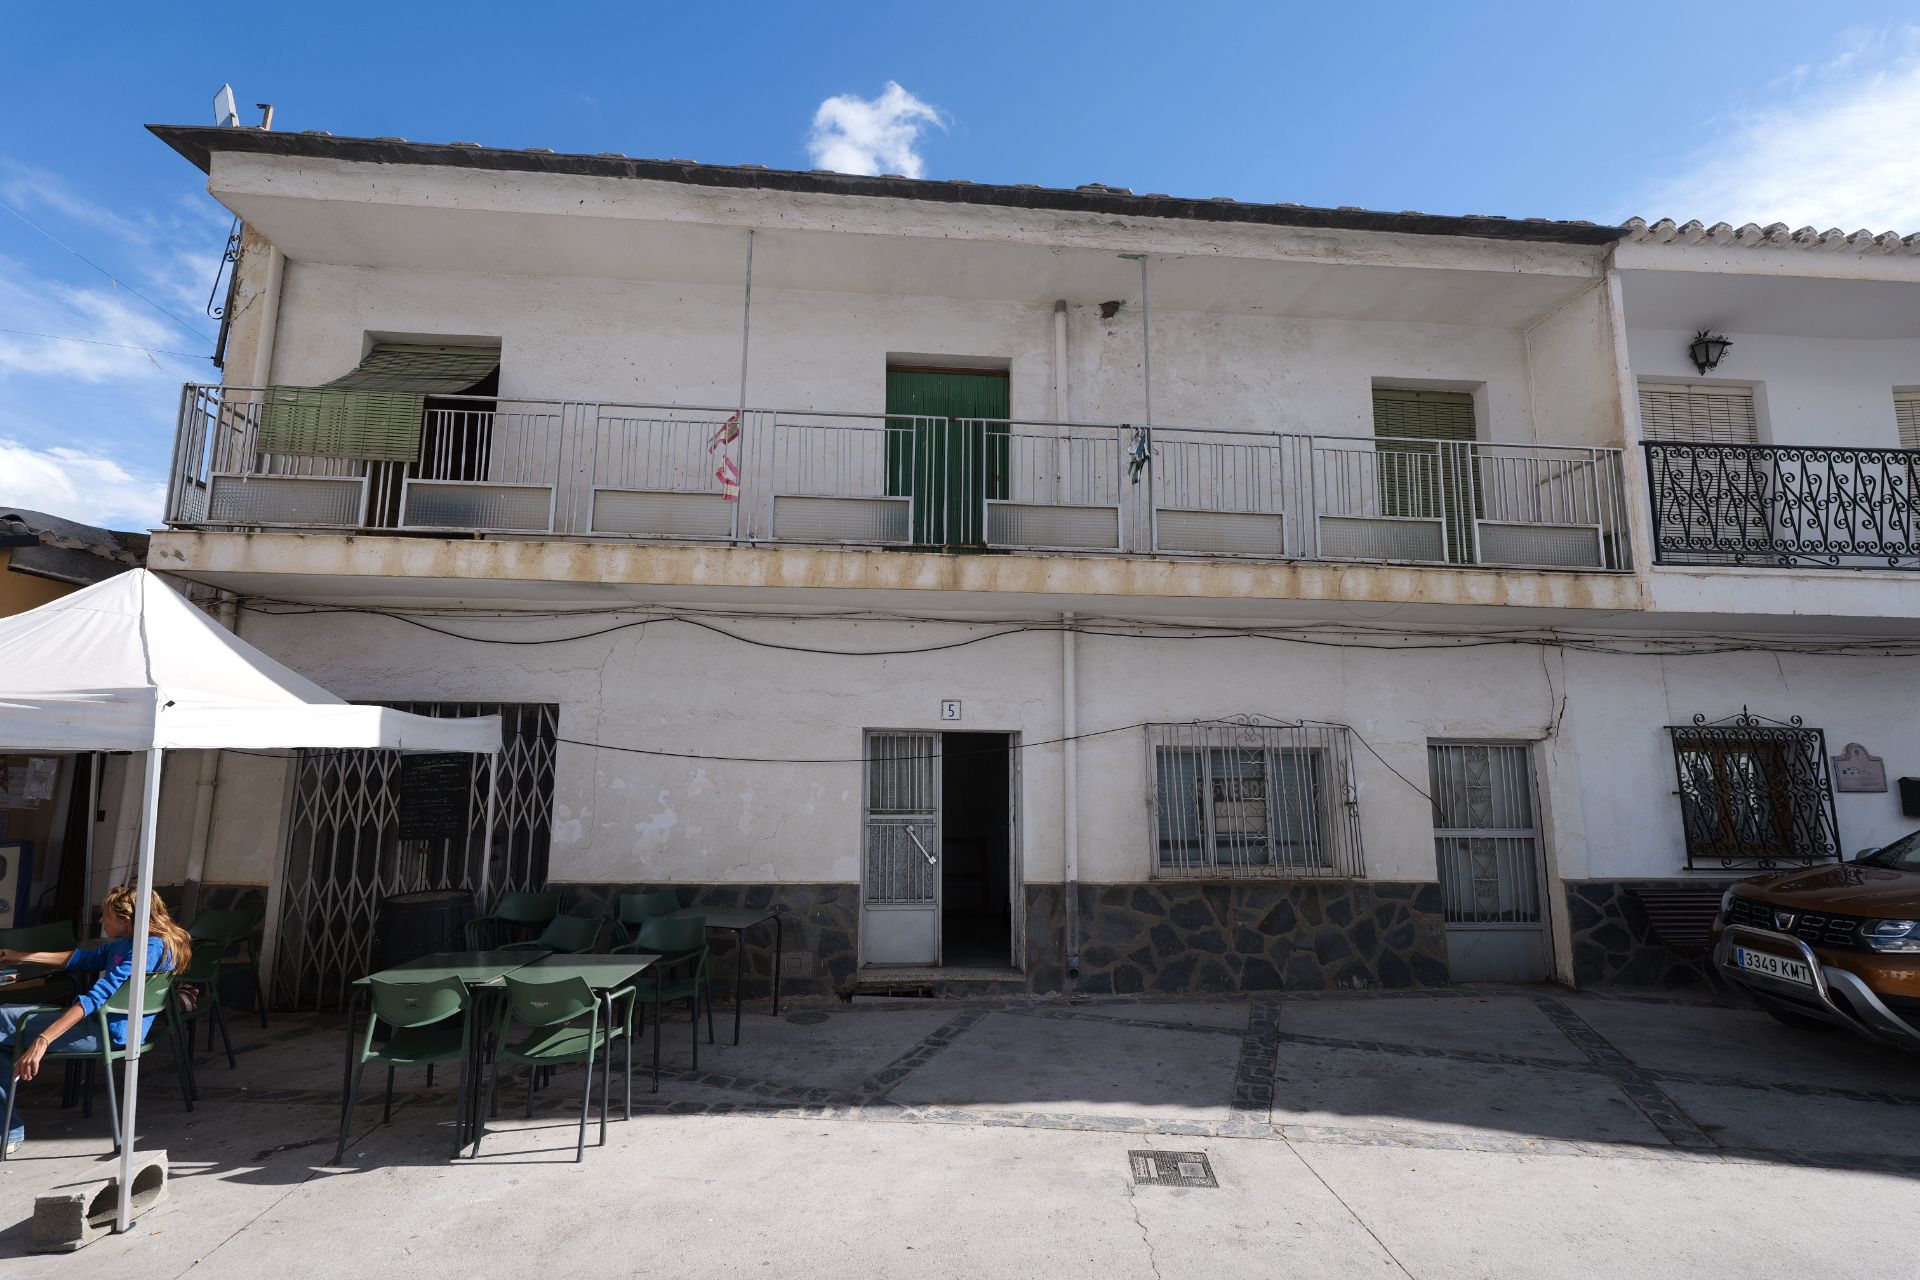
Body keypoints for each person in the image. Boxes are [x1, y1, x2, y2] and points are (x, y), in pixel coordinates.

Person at [0, 887, 191, 1155]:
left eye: (107, 916)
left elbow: (93, 999)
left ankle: (8, 1130)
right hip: (109, 1027)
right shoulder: (140, 942)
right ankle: (7, 1130)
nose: (101, 921)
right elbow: (82, 958)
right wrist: (20, 955)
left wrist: (43, 1040)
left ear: (126, 920)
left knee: (3, 1016)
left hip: (104, 1031)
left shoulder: (145, 949)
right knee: (4, 1039)